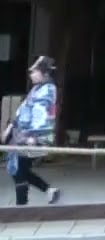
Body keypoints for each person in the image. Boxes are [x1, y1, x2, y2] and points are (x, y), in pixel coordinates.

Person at [4, 56, 60, 206]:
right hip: (22, 134)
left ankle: (21, 205)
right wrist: (11, 127)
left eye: (34, 71)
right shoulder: (37, 89)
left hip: (33, 135)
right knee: (19, 169)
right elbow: (23, 110)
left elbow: (41, 115)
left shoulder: (48, 90)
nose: (31, 74)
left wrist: (33, 136)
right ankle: (47, 190)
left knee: (19, 170)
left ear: (45, 73)